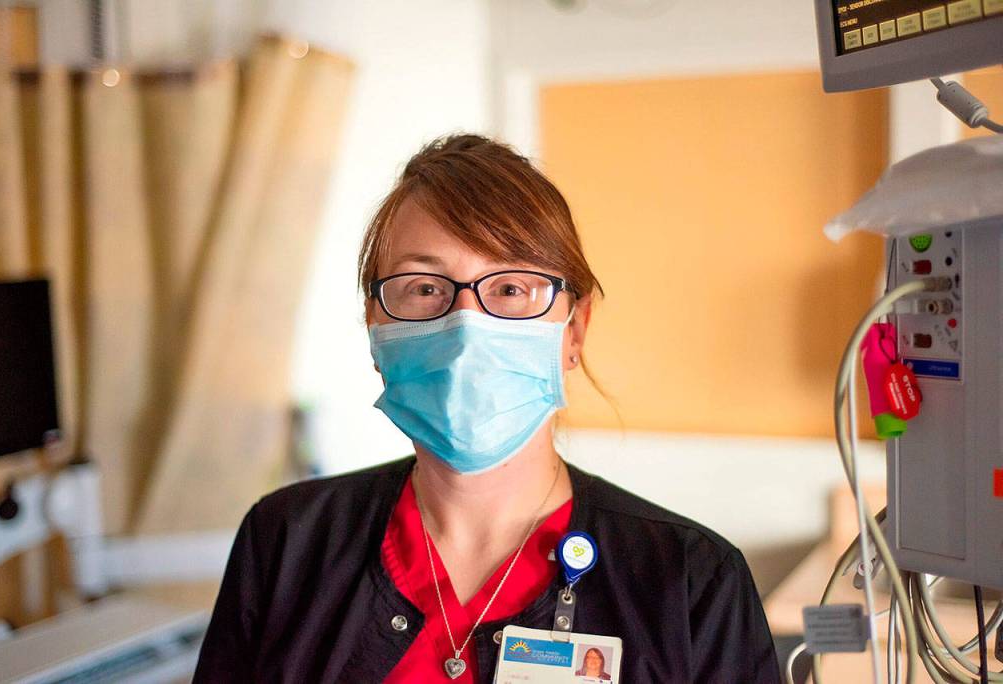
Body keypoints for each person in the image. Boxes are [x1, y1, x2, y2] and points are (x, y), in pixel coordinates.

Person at [193, 134, 780, 683]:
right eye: (423, 287)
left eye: (511, 288)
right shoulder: (287, 540)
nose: (466, 327)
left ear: (573, 333)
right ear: (375, 332)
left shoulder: (689, 580)